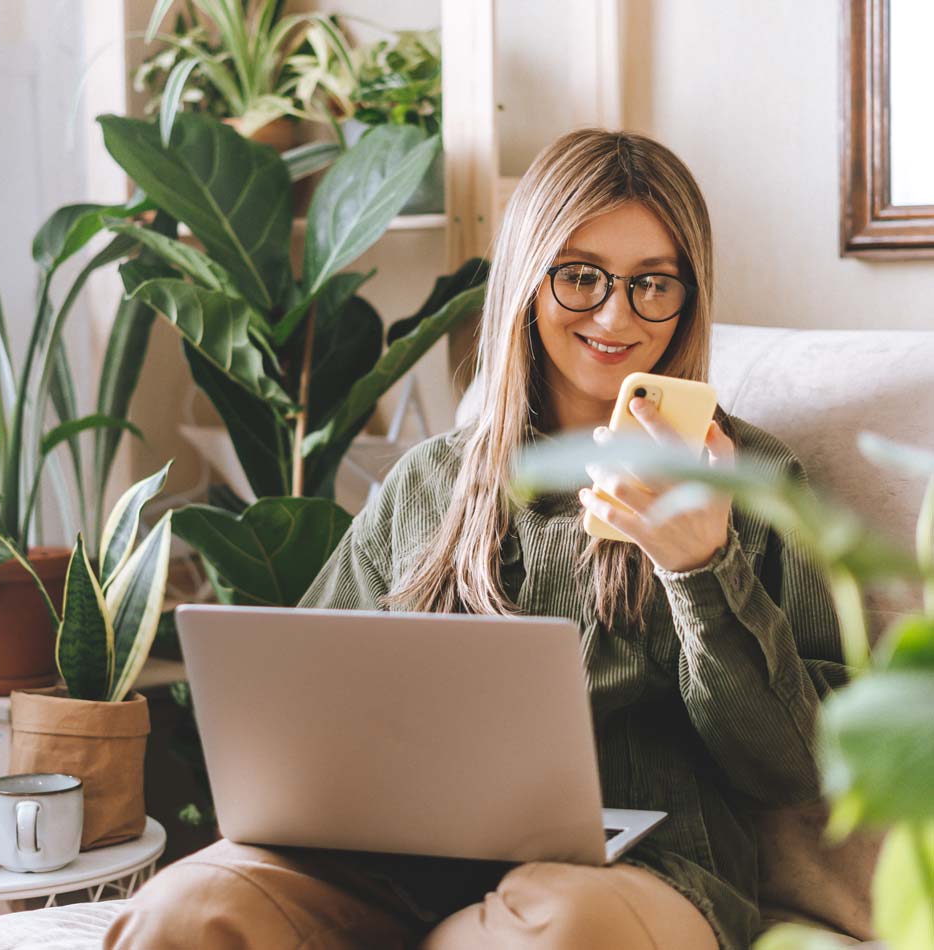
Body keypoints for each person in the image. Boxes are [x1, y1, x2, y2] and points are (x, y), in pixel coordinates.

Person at [105, 130, 847, 950]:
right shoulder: (431, 480)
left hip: (643, 876)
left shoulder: (752, 479)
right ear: (529, 280)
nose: (615, 314)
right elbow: (300, 706)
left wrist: (703, 568)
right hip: (398, 865)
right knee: (183, 911)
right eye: (579, 276)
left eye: (653, 284)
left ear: (689, 294)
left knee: (555, 934)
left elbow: (795, 768)